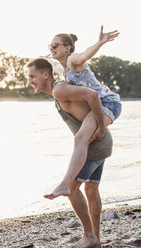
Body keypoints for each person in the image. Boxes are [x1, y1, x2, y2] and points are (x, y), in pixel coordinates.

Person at [25, 57, 113, 248]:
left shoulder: (59, 89)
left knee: (72, 190)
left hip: (95, 145)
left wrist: (100, 125)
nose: (30, 81)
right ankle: (94, 238)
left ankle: (90, 236)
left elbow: (93, 95)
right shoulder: (59, 89)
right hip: (100, 143)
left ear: (45, 74)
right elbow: (59, 67)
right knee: (91, 189)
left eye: (32, 76)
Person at [44, 26, 121, 200]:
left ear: (67, 48)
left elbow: (85, 54)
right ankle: (68, 187)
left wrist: (99, 43)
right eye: (50, 45)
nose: (52, 48)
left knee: (80, 138)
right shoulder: (63, 67)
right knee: (82, 140)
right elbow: (52, 64)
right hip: (97, 105)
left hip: (108, 103)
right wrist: (42, 60)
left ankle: (65, 185)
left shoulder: (73, 61)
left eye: (55, 45)